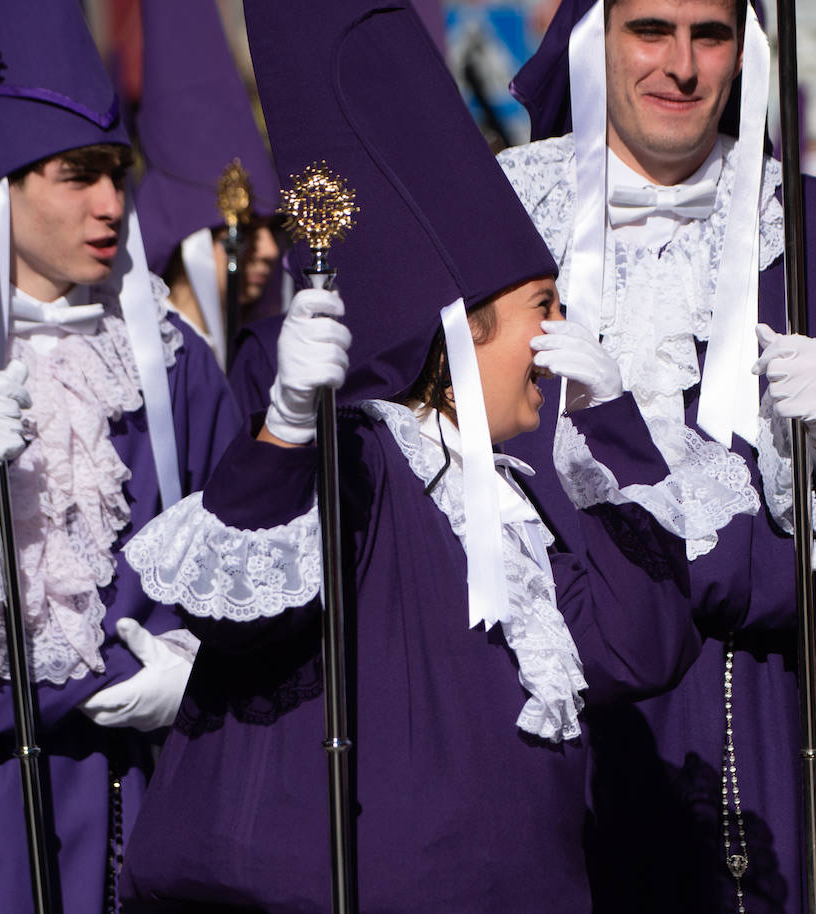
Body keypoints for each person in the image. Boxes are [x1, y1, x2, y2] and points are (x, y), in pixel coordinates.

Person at [116, 1, 698, 911]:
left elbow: (639, 648)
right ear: (465, 333)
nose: (561, 335)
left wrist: (617, 425)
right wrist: (287, 431)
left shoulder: (521, 501)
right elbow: (243, 596)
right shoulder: (365, 461)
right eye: (542, 306)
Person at [491, 0, 816, 910]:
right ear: (594, 41)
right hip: (538, 702)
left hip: (737, 701)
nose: (682, 65)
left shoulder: (805, 226)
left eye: (709, 34)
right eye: (651, 30)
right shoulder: (506, 212)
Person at [0, 2, 239, 912]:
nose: (111, 204)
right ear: (0, 188)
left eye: (117, 174)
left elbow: (246, 564)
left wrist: (206, 669)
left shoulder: (167, 366)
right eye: (77, 177)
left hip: (117, 794)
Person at [133, 0, 282, 368]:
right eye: (247, 228)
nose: (269, 250)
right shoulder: (145, 360)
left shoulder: (261, 358)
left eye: (271, 229)